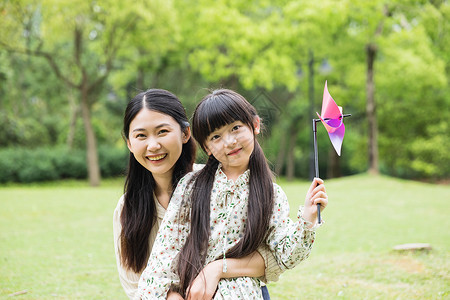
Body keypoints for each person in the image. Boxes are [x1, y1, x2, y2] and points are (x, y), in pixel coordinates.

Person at [136, 89, 328, 299]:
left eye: (235, 128)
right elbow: (165, 253)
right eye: (216, 136)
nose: (229, 142)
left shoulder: (271, 194)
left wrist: (307, 220)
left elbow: (284, 256)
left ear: (254, 125)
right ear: (207, 147)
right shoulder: (191, 187)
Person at [113, 89, 282, 299]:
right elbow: (134, 283)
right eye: (141, 135)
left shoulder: (221, 183)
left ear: (185, 133)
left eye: (162, 131)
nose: (153, 145)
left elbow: (271, 256)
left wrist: (217, 269)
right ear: (129, 143)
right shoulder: (126, 207)